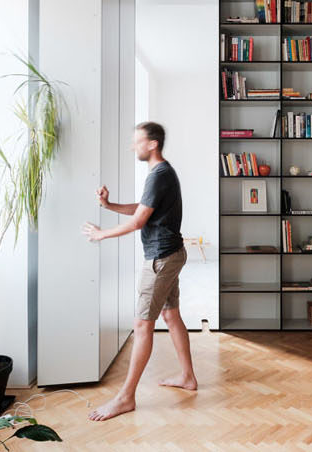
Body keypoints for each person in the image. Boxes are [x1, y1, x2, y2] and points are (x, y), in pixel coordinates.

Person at [83, 121, 197, 421]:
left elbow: (137, 223)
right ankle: (188, 377)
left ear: (152, 144)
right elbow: (143, 208)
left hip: (161, 259)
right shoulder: (161, 174)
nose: (133, 146)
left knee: (143, 325)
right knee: (171, 316)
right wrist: (109, 206)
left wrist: (100, 234)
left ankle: (125, 398)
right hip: (170, 254)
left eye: (137, 141)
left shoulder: (159, 175)